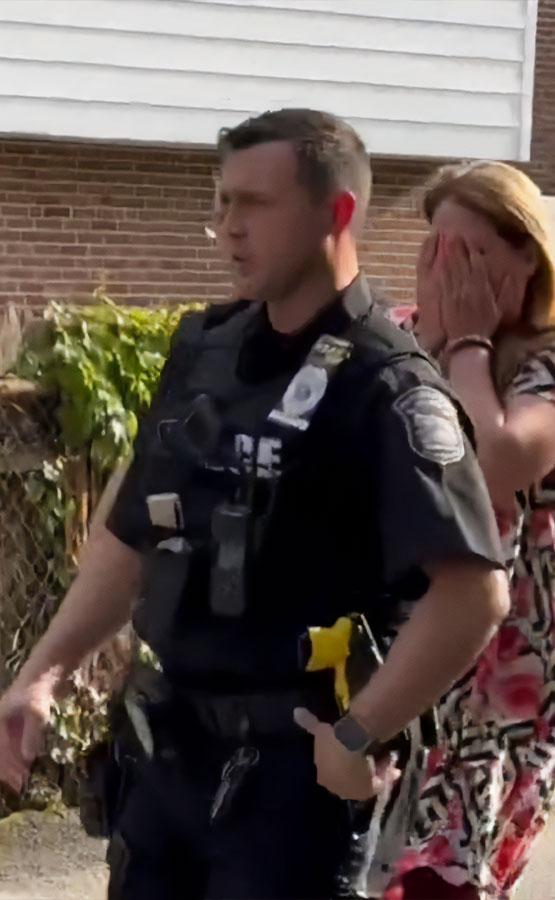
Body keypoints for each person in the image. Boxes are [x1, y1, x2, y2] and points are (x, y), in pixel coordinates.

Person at [0, 110, 509, 900]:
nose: (228, 227)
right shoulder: (204, 352)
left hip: (287, 792)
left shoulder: (387, 386)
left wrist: (358, 730)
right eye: (222, 204)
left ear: (338, 213)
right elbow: (132, 529)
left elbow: (474, 592)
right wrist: (44, 673)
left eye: (254, 205)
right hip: (163, 768)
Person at [386, 161, 555, 900]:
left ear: (527, 258)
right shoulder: (394, 342)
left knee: (447, 886)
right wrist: (424, 342)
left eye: (475, 255)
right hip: (401, 665)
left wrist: (469, 349)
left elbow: (488, 467)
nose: (455, 277)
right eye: (439, 253)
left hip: (508, 688)